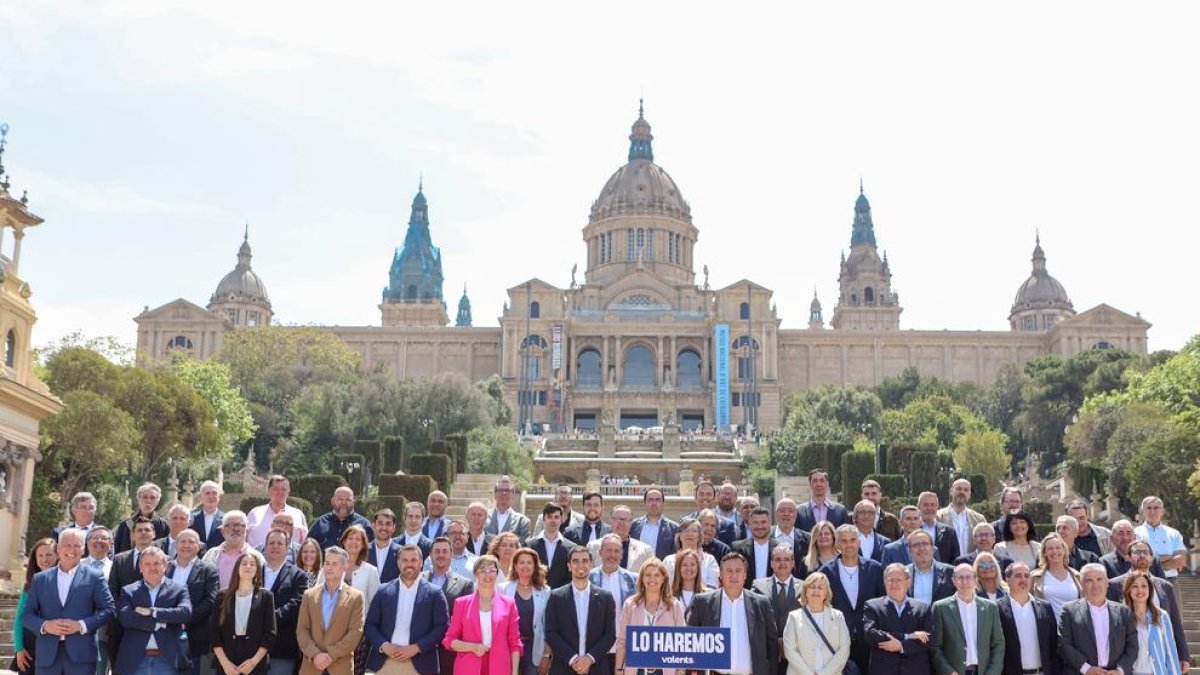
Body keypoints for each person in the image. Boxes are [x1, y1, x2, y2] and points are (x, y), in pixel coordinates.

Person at [22, 528, 116, 675]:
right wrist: (45, 626)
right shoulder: (40, 579)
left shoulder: (95, 577)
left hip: (82, 656)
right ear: (58, 548)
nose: (72, 550)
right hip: (47, 656)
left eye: (77, 545)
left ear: (83, 549)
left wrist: (82, 625)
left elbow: (109, 610)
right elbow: (27, 616)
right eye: (67, 545)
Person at [687, 551, 779, 675]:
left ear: (745, 575)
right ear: (721, 575)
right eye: (729, 571)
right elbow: (691, 644)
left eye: (738, 571)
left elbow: (772, 646)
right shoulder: (703, 602)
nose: (733, 575)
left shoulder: (761, 604)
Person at [363, 545, 449, 675]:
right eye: (405, 560)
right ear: (398, 563)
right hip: (384, 663)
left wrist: (417, 647)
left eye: (413, 560)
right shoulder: (383, 591)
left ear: (421, 562)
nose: (409, 564)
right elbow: (370, 625)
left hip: (419, 664)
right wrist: (384, 645)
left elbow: (441, 627)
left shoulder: (435, 593)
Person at [1106, 541, 1190, 668]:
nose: (1142, 555)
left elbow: (1175, 623)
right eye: (1137, 552)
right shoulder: (1113, 585)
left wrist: (1183, 656)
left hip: (1159, 660)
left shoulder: (1165, 586)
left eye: (1145, 552)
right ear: (1128, 557)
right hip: (1127, 661)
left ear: (1151, 558)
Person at [114, 546, 193, 675]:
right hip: (136, 660)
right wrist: (159, 622)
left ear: (165, 566)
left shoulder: (179, 589)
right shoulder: (128, 591)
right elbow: (126, 618)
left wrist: (153, 612)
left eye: (157, 563)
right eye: (147, 564)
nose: (152, 568)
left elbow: (184, 613)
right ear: (140, 567)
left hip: (168, 660)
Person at [443, 555, 523, 675]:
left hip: (500, 667)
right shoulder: (461, 603)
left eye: (492, 570)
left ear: (497, 574)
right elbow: (450, 641)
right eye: (483, 570)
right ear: (476, 574)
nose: (488, 574)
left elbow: (515, 642)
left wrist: (515, 672)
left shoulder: (509, 604)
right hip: (468, 667)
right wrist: (473, 647)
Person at [544, 547, 617, 674]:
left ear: (591, 564)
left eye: (584, 560)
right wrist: (573, 659)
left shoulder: (606, 598)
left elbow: (610, 635)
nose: (580, 565)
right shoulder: (556, 596)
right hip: (564, 668)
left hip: (597, 668)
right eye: (575, 561)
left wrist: (589, 659)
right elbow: (551, 633)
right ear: (569, 566)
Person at [1058, 564, 1138, 675]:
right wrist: (1087, 669)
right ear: (1081, 584)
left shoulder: (1124, 612)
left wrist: (1120, 671)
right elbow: (1063, 644)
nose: (1095, 585)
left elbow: (1132, 645)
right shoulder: (1069, 610)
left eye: (1099, 579)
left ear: (1107, 582)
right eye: (1089, 580)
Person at [297, 546, 365, 675]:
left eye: (334, 564)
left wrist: (330, 655)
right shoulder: (309, 595)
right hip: (312, 666)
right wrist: (315, 655)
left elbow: (356, 632)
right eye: (327, 563)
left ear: (344, 567)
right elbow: (302, 629)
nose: (329, 567)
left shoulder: (356, 597)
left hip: (340, 668)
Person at [614, 558, 687, 675]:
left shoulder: (674, 605)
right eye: (647, 575)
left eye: (657, 575)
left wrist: (680, 671)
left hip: (665, 670)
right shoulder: (630, 604)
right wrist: (618, 669)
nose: (652, 579)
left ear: (663, 579)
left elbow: (681, 641)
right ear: (642, 578)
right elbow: (622, 640)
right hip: (636, 669)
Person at [931, 564, 1004, 675]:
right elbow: (935, 646)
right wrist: (948, 671)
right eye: (960, 578)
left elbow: (998, 644)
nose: (964, 582)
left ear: (975, 580)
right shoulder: (941, 608)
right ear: (953, 581)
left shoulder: (990, 608)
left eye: (968, 577)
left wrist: (993, 672)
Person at [210, 553, 276, 675]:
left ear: (257, 570)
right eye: (244, 563)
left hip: (255, 664)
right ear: (237, 568)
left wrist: (253, 662)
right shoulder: (222, 596)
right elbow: (214, 634)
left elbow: (270, 634)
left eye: (252, 564)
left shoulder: (266, 597)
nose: (248, 566)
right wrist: (225, 663)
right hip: (227, 664)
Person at [864, 564, 934, 675]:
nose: (894, 584)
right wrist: (907, 636)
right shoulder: (873, 606)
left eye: (898, 580)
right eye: (890, 580)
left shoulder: (923, 608)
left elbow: (929, 638)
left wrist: (902, 646)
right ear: (884, 582)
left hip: (915, 670)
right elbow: (870, 634)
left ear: (908, 582)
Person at [167, 530, 220, 675]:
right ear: (176, 545)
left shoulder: (209, 570)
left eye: (191, 542)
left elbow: (211, 601)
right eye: (182, 541)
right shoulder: (164, 567)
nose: (186, 545)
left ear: (198, 546)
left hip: (194, 638)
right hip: (164, 636)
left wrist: (183, 619)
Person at [421, 538, 475, 675]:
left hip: (449, 652)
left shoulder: (465, 584)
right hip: (421, 649)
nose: (440, 555)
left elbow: (466, 620)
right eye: (437, 551)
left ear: (451, 554)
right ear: (430, 555)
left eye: (444, 551)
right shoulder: (418, 579)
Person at [995, 562, 1060, 675]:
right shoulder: (996, 608)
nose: (1023, 579)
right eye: (1018, 575)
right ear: (1007, 579)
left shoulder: (1045, 607)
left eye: (1026, 576)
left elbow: (1053, 644)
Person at [261, 529, 310, 675]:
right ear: (265, 546)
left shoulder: (299, 576)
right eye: (271, 543)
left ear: (287, 548)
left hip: (282, 647)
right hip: (252, 647)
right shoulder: (254, 571)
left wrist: (266, 619)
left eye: (280, 543)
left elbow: (295, 605)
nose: (275, 546)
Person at [782, 571, 851, 675]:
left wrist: (825, 673)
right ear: (805, 591)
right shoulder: (794, 617)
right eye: (812, 587)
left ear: (826, 593)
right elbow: (790, 651)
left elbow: (844, 648)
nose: (816, 591)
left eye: (820, 588)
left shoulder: (838, 616)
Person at [499, 547, 552, 675]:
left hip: (534, 648)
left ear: (535, 566)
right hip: (508, 647)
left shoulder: (545, 592)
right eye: (521, 562)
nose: (525, 566)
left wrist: (546, 655)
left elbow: (550, 625)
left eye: (529, 562)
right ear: (515, 566)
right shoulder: (503, 589)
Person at [1122, 570, 1183, 675]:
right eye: (1135, 586)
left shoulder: (1162, 616)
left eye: (1144, 586)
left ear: (1150, 589)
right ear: (1128, 590)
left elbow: (1170, 652)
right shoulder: (1122, 617)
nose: (1140, 590)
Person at [11, 538, 57, 675]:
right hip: (30, 648)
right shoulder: (29, 585)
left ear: (57, 555)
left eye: (49, 554)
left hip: (54, 647)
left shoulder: (65, 582)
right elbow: (20, 618)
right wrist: (19, 648)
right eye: (40, 555)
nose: (44, 559)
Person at [315, 524, 381, 618]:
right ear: (344, 542)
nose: (354, 542)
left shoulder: (371, 572)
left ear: (363, 545)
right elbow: (317, 596)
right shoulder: (328, 567)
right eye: (350, 538)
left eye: (358, 539)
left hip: (359, 628)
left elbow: (376, 606)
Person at [201, 510, 267, 590]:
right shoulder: (211, 555)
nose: (235, 529)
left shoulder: (257, 557)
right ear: (222, 531)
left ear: (246, 529)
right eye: (229, 525)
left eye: (239, 525)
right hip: (216, 601)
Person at [1134, 496, 1188, 587]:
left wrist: (1151, 563)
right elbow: (1135, 560)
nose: (1152, 511)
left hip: (1171, 582)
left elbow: (1181, 561)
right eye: (1148, 508)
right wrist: (1167, 559)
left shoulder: (1174, 534)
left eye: (1156, 508)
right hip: (1144, 582)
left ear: (1162, 511)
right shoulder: (1135, 533)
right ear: (1143, 512)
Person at [83, 527, 115, 675]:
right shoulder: (76, 565)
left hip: (103, 633)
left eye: (104, 538)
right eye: (95, 538)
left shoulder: (117, 567)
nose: (99, 541)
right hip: (74, 632)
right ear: (87, 542)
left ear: (111, 543)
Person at [245, 476, 309, 548]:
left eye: (283, 489)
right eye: (276, 489)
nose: (280, 492)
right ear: (269, 491)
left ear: (288, 492)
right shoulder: (255, 513)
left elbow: (305, 543)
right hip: (258, 558)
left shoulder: (298, 515)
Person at [1029, 533, 1081, 618]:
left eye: (1058, 548)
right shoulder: (1034, 577)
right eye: (1050, 549)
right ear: (1044, 552)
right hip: (1047, 627)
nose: (1054, 551)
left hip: (1072, 628)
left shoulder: (1077, 576)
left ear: (1064, 551)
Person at [309, 487, 374, 550]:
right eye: (340, 499)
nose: (343, 503)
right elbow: (307, 547)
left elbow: (372, 550)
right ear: (333, 501)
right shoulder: (320, 523)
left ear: (353, 502)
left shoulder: (364, 525)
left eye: (348, 500)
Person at [662, 517, 720, 588]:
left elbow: (713, 587)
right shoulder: (669, 561)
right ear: (679, 535)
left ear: (699, 536)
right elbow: (664, 587)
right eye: (686, 530)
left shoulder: (709, 560)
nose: (690, 534)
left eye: (694, 531)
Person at [530, 503, 577, 589]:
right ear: (544, 519)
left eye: (556, 517)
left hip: (560, 598)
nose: (553, 520)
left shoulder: (571, 548)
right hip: (535, 593)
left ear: (561, 520)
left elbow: (571, 576)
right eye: (549, 517)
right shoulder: (530, 545)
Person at [936, 480, 987, 559]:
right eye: (958, 489)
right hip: (947, 566)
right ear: (951, 491)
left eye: (966, 490)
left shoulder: (979, 519)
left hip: (971, 566)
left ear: (969, 494)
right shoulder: (938, 517)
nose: (962, 492)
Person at [114, 483, 170, 554]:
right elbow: (117, 552)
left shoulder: (164, 526)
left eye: (152, 498)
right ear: (138, 499)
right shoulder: (125, 525)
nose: (148, 501)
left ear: (157, 501)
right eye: (145, 497)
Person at [600, 506, 654, 574]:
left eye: (625, 520)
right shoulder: (594, 546)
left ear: (631, 522)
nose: (621, 523)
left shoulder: (645, 550)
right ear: (611, 521)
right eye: (618, 519)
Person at [907, 530, 955, 606]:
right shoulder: (903, 574)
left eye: (925, 544)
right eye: (916, 545)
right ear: (909, 550)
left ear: (933, 547)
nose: (921, 548)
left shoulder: (950, 572)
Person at [731, 507, 779, 581]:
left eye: (763, 522)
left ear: (770, 523)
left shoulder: (780, 548)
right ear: (749, 524)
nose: (760, 526)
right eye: (755, 523)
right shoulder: (737, 548)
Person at [630, 487, 678, 560]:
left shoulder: (674, 529)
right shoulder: (633, 526)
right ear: (644, 503)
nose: (654, 503)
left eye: (658, 500)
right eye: (650, 500)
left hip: (662, 570)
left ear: (663, 504)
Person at [486, 476, 532, 545]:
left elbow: (524, 545)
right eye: (500, 490)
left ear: (513, 495)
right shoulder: (483, 517)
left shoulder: (522, 521)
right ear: (494, 495)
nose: (504, 493)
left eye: (507, 490)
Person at [916, 493, 960, 564]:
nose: (929, 508)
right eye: (926, 505)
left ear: (937, 507)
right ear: (918, 507)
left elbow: (955, 559)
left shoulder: (949, 532)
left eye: (933, 505)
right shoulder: (911, 530)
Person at [670, 549, 709, 620]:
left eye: (692, 564)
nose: (689, 568)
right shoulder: (669, 595)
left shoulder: (708, 595)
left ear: (698, 568)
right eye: (684, 565)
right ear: (678, 568)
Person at [190, 481, 226, 550]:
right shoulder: (192, 518)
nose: (211, 496)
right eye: (207, 493)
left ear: (219, 497)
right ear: (201, 497)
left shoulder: (226, 520)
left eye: (214, 493)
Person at [368, 508, 401, 585]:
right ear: (373, 526)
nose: (384, 528)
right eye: (380, 523)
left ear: (394, 528)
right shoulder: (363, 551)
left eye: (388, 524)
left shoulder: (401, 552)